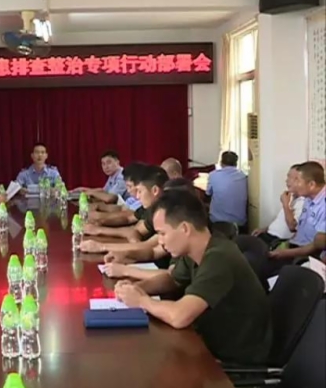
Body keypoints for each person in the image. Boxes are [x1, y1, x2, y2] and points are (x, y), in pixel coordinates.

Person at [115, 190, 272, 365]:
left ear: (185, 228)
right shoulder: (200, 248)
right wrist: (138, 288)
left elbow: (180, 316)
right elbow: (172, 279)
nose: (160, 241)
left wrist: (141, 301)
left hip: (232, 359)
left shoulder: (219, 258)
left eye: (162, 233)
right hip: (206, 341)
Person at [81, 165, 170, 269]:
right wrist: (98, 228)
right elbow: (135, 231)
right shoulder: (153, 207)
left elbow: (150, 247)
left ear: (155, 190)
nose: (137, 196)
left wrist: (101, 246)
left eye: (140, 191)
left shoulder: (168, 209)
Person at [264, 161, 326, 276]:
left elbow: (316, 247)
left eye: (297, 180)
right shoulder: (308, 198)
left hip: (307, 255)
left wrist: (285, 253)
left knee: (270, 274)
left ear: (311, 184)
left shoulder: (323, 205)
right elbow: (299, 229)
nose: (294, 184)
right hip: (294, 246)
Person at [252, 164, 305, 248]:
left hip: (277, 241)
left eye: (290, 177)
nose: (286, 181)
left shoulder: (304, 202)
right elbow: (280, 222)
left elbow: (292, 227)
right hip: (269, 234)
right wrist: (265, 229)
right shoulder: (291, 197)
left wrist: (285, 204)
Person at [206, 151, 248, 229]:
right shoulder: (243, 176)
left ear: (221, 163)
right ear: (236, 164)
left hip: (217, 222)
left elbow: (208, 193)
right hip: (240, 223)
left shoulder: (213, 175)